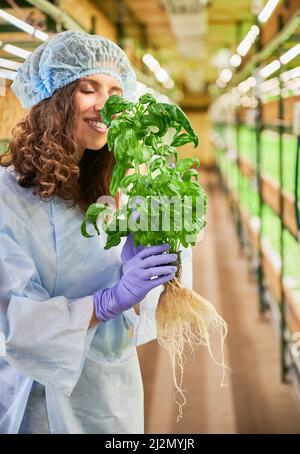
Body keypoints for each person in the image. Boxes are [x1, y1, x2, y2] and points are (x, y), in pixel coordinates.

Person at [0, 31, 192, 434]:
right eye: (88, 89)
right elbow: (18, 322)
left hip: (109, 392)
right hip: (35, 397)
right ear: (52, 100)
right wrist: (108, 301)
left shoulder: (109, 188)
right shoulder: (7, 196)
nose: (107, 105)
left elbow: (140, 311)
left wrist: (149, 277)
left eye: (116, 90)